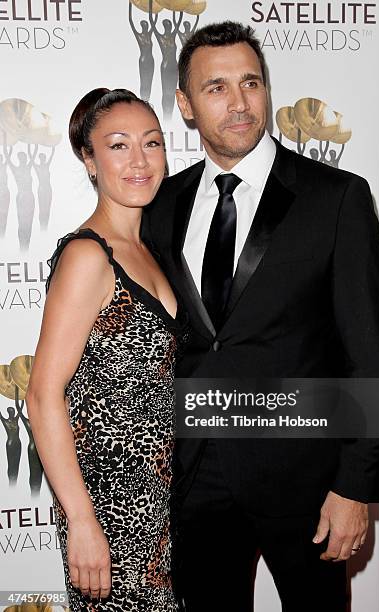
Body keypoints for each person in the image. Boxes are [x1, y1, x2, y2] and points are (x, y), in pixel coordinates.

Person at [144, 21, 379, 612]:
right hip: (193, 478)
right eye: (216, 88)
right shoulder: (161, 206)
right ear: (184, 104)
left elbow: (372, 352)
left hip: (307, 483)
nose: (239, 103)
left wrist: (355, 487)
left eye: (251, 83)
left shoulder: (336, 198)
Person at [26, 88, 186, 611]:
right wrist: (81, 521)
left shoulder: (152, 250)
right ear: (89, 160)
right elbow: (44, 395)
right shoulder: (86, 256)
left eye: (152, 143)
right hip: (110, 514)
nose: (139, 161)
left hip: (162, 506)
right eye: (118, 146)